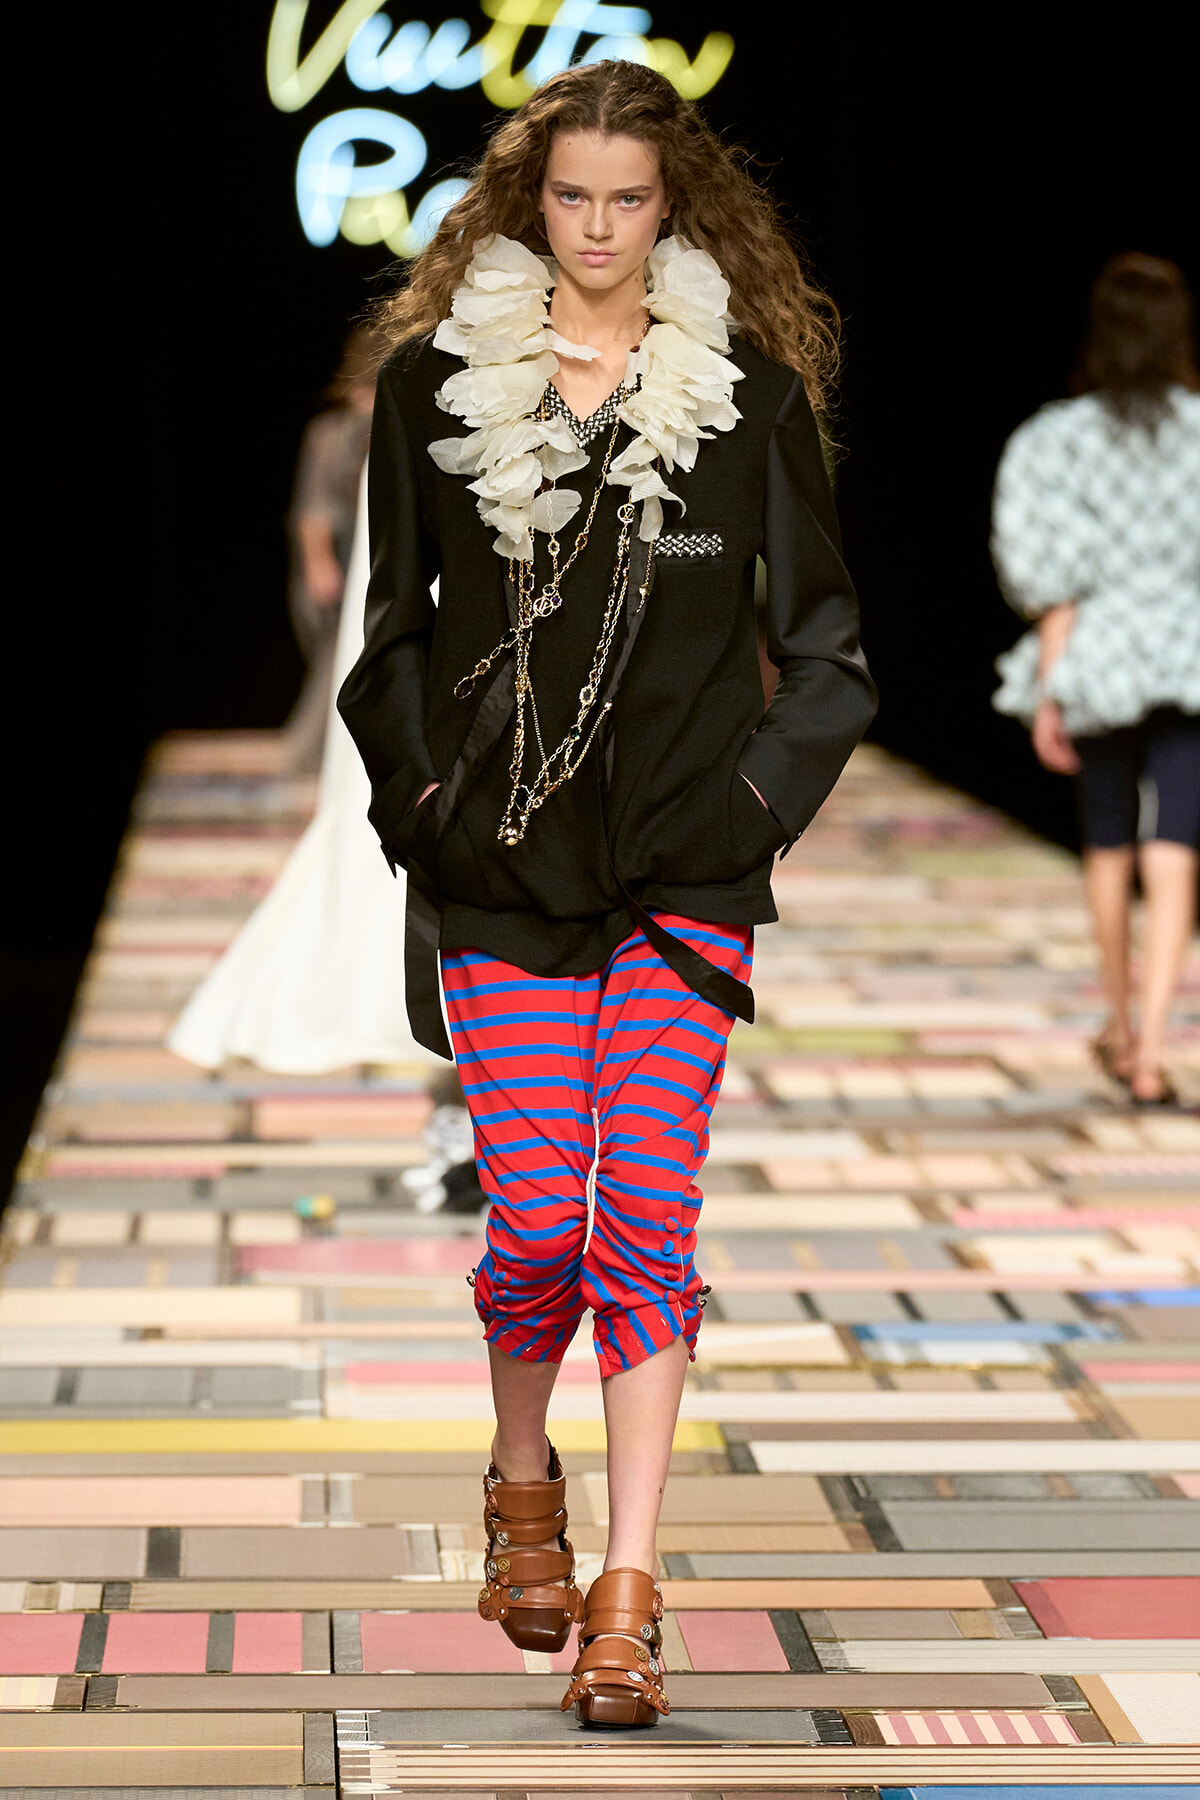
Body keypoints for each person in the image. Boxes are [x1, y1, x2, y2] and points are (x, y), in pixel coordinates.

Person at [338, 59, 876, 1727]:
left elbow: (831, 655)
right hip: (502, 868)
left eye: (627, 201)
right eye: (570, 197)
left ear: (671, 207)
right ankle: (523, 1480)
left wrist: (747, 807)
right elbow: (391, 641)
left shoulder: (748, 401)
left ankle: (630, 1594)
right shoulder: (432, 391)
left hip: (682, 880)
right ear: (532, 201)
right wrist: (430, 811)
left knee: (643, 1217)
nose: (596, 229)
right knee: (533, 1229)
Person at [992, 253, 1200, 1106]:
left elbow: (1051, 579)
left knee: (1109, 837)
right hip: (1191, 652)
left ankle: (1119, 1024)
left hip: (1101, 654)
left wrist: (1051, 687)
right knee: (1176, 840)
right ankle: (1150, 1049)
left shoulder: (1056, 440)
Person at [282, 329, 379, 775]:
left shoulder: (391, 429)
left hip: (368, 560)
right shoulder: (330, 434)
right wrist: (319, 565)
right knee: (335, 660)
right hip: (338, 563)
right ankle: (315, 758)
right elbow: (314, 509)